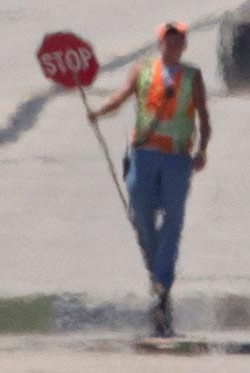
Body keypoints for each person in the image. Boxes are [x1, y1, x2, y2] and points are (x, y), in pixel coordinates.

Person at [87, 21, 211, 337]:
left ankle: (162, 280)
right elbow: (120, 97)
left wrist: (202, 151)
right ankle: (154, 263)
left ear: (184, 47)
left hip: (177, 159)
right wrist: (99, 112)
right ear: (159, 44)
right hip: (144, 155)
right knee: (139, 212)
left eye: (177, 42)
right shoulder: (142, 71)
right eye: (167, 41)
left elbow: (204, 117)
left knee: (173, 220)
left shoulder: (192, 76)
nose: (172, 47)